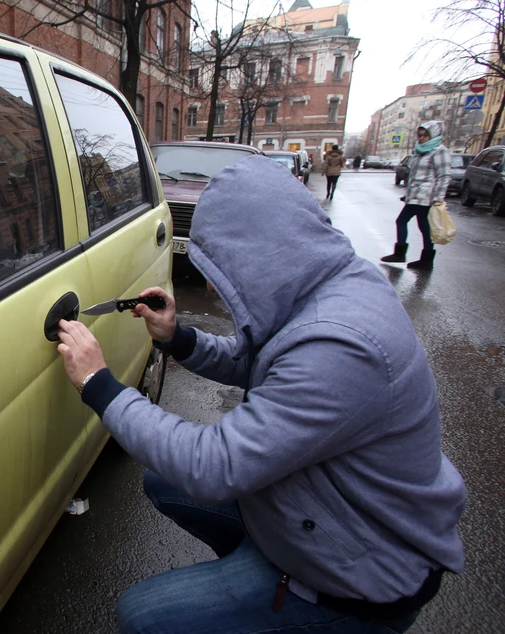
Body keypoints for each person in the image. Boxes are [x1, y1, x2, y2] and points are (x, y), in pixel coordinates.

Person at [56, 155, 465, 634]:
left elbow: (214, 466)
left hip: (360, 574)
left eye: (222, 263)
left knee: (143, 616)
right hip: (332, 511)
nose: (211, 281)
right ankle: (254, 583)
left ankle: (290, 610)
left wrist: (98, 384)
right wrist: (177, 337)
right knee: (162, 482)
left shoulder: (342, 345)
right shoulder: (333, 285)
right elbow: (265, 365)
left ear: (260, 251)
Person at [381, 121, 450, 271]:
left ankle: (402, 254)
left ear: (434, 135)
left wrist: (438, 198)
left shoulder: (439, 151)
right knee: (424, 227)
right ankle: (425, 260)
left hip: (427, 197)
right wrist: (408, 195)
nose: (422, 138)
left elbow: (443, 176)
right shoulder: (420, 151)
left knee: (402, 221)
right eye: (420, 135)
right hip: (415, 196)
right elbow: (413, 176)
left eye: (425, 135)